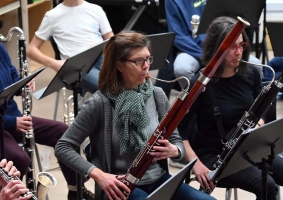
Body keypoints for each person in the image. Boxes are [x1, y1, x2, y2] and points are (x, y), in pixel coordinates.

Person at [55, 31, 215, 200]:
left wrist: (175, 150)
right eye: (139, 60)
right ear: (119, 65)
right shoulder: (99, 103)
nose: (146, 66)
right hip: (120, 186)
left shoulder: (157, 95)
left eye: (148, 59)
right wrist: (99, 175)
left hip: (159, 179)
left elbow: (176, 140)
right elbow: (63, 147)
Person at [178, 16, 283, 199]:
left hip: (248, 147)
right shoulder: (200, 84)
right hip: (214, 155)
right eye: (232, 47)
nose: (239, 52)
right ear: (217, 48)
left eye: (242, 46)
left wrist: (258, 124)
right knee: (267, 186)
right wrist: (195, 164)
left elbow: (262, 109)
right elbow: (178, 130)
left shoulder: (250, 74)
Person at [0, 43, 93, 200]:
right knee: (20, 159)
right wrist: (11, 122)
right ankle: (14, 196)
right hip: (6, 124)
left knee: (63, 132)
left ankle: (76, 189)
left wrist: (23, 82)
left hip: (14, 118)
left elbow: (11, 75)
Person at [27, 0, 114, 94]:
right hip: (76, 67)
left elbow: (112, 41)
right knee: (109, 90)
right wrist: (53, 63)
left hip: (102, 57)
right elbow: (30, 50)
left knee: (125, 83)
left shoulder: (96, 9)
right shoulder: (52, 16)